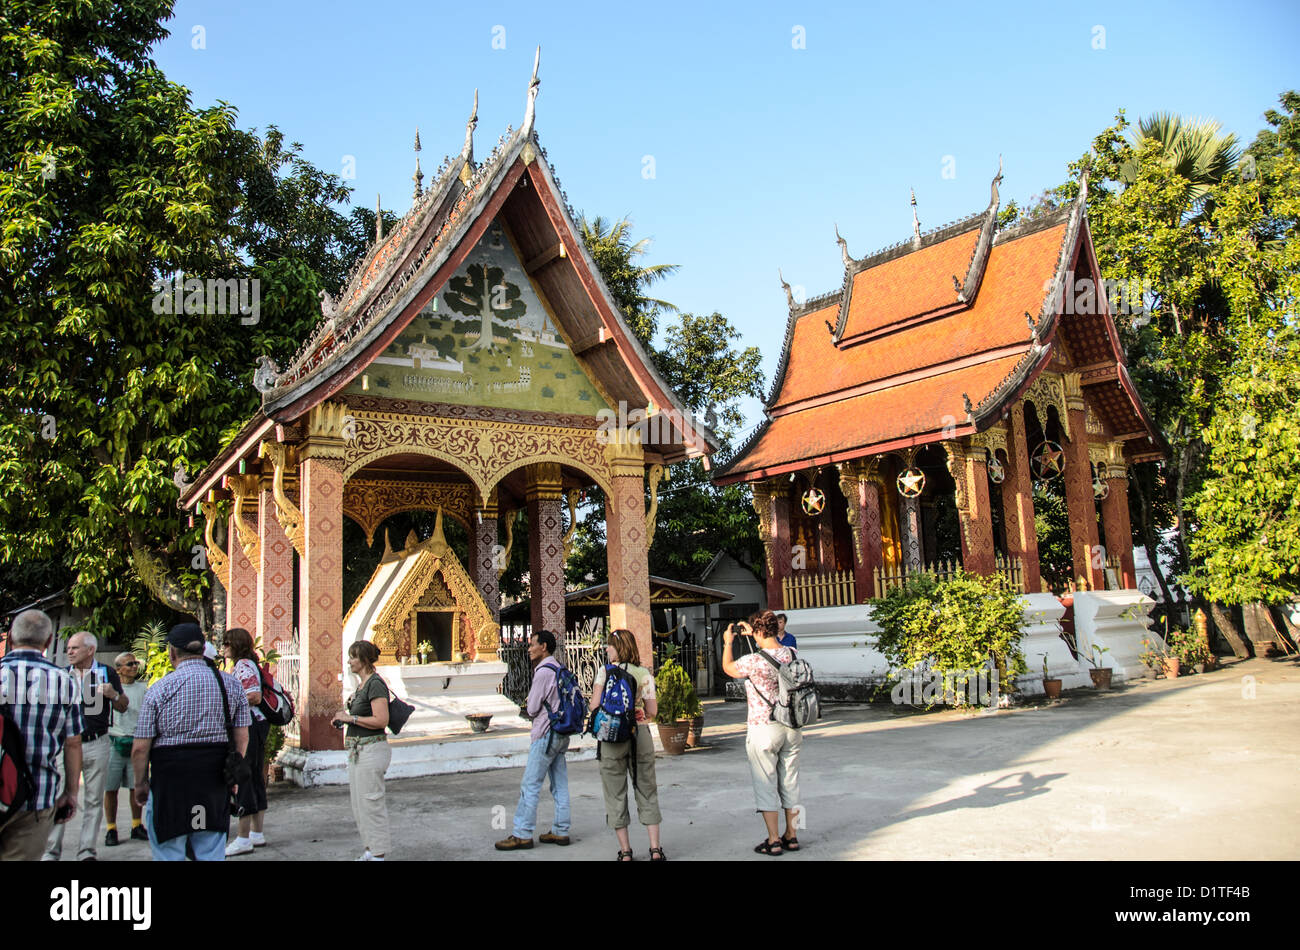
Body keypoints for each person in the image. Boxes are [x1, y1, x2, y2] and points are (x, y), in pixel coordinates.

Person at [132, 622, 250, 862]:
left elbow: (140, 747)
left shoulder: (159, 689)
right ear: (202, 649)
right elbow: (242, 736)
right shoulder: (230, 685)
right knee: (209, 848)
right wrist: (233, 776)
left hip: (170, 779)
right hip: (212, 777)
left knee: (169, 849)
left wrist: (141, 783)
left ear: (172, 652)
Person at [0, 610, 84, 861]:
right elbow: (73, 743)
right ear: (49, 642)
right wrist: (70, 792)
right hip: (36, 796)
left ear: (10, 640)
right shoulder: (64, 682)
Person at [43, 630, 128, 862]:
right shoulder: (60, 675)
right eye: (68, 648)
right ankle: (51, 851)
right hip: (65, 745)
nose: (69, 652)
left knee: (93, 799)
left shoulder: (107, 672)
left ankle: (86, 851)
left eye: (74, 648)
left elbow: (123, 706)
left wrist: (113, 695)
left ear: (90, 650)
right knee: (59, 796)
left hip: (97, 742)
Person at [722, 610, 802, 856]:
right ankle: (792, 835)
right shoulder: (792, 653)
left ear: (758, 631)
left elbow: (728, 668)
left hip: (763, 727)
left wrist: (728, 643)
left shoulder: (753, 661)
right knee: (790, 782)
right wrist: (753, 633)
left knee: (765, 782)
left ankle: (774, 839)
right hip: (791, 726)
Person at [588, 628, 664, 861]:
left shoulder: (604, 672)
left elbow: (594, 705)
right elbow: (652, 710)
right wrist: (636, 713)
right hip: (639, 734)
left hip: (611, 737)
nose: (607, 649)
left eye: (609, 645)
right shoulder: (644, 673)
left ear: (617, 648)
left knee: (615, 792)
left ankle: (626, 852)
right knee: (646, 789)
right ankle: (654, 849)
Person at [496, 629, 570, 851]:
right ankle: (561, 830)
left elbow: (532, 707)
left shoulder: (543, 672)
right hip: (560, 734)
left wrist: (531, 701)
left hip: (545, 735)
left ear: (544, 647)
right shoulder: (560, 668)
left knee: (530, 784)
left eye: (532, 644)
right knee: (560, 785)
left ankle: (522, 833)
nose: (528, 649)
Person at [333, 640, 390, 861]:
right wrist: (344, 719)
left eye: (353, 657)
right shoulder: (361, 685)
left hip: (372, 749)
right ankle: (370, 848)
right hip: (358, 750)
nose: (349, 661)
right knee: (359, 804)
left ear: (364, 660)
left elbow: (381, 719)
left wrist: (351, 718)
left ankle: (378, 853)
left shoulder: (375, 684)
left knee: (371, 802)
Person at [223, 628, 270, 856]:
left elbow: (254, 695)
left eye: (227, 644)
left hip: (248, 725)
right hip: (256, 724)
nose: (224, 649)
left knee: (244, 777)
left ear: (235, 645)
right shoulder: (249, 664)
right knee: (254, 777)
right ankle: (256, 832)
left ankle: (243, 837)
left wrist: (231, 699)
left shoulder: (243, 666)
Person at [103, 652, 149, 846]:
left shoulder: (143, 688)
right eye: (129, 664)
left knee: (135, 786)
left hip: (135, 741)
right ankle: (111, 829)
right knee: (110, 788)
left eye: (135, 663)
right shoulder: (109, 690)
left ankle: (136, 825)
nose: (133, 667)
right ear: (118, 669)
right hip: (114, 741)